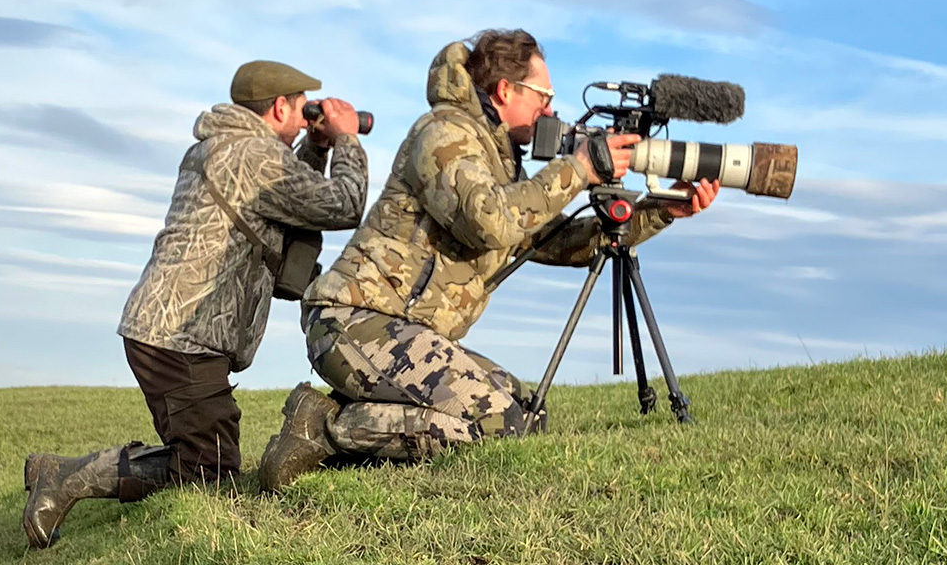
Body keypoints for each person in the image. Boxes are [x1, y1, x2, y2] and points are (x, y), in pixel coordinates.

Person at [256, 28, 720, 491]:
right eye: (544, 96)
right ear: (505, 90)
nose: (550, 110)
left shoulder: (500, 160)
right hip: (354, 320)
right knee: (501, 424)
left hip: (405, 330)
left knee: (527, 412)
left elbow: (555, 241)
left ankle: (345, 419)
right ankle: (324, 430)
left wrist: (662, 211)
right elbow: (490, 221)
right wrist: (578, 170)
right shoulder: (445, 134)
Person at [22, 59, 369, 548]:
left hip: (172, 331)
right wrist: (347, 138)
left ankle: (63, 475)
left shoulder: (229, 147)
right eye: (301, 109)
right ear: (279, 107)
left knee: (206, 462)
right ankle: (62, 477)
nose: (305, 117)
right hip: (180, 336)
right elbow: (343, 205)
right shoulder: (250, 154)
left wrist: (315, 147)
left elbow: (291, 201)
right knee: (211, 471)